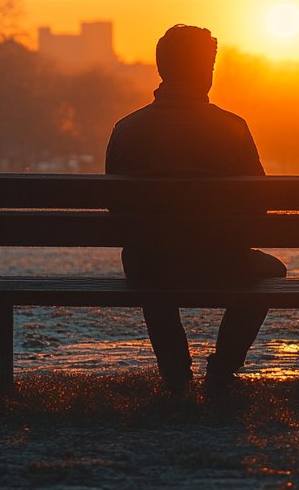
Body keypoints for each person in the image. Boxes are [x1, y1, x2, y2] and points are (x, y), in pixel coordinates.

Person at [105, 24, 285, 393]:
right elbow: (260, 207)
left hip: (149, 262)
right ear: (206, 71)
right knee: (272, 271)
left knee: (148, 259)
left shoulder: (127, 129)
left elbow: (116, 210)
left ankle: (175, 372)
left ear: (162, 69)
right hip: (220, 261)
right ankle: (222, 367)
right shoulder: (232, 128)